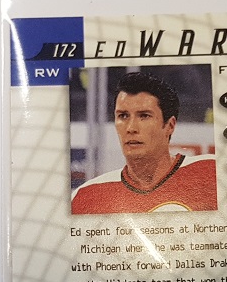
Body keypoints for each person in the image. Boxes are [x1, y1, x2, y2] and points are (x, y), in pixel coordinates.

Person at [72, 72, 217, 214]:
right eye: (123, 116)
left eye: (144, 116)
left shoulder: (211, 172)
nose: (131, 128)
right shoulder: (86, 196)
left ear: (170, 126)